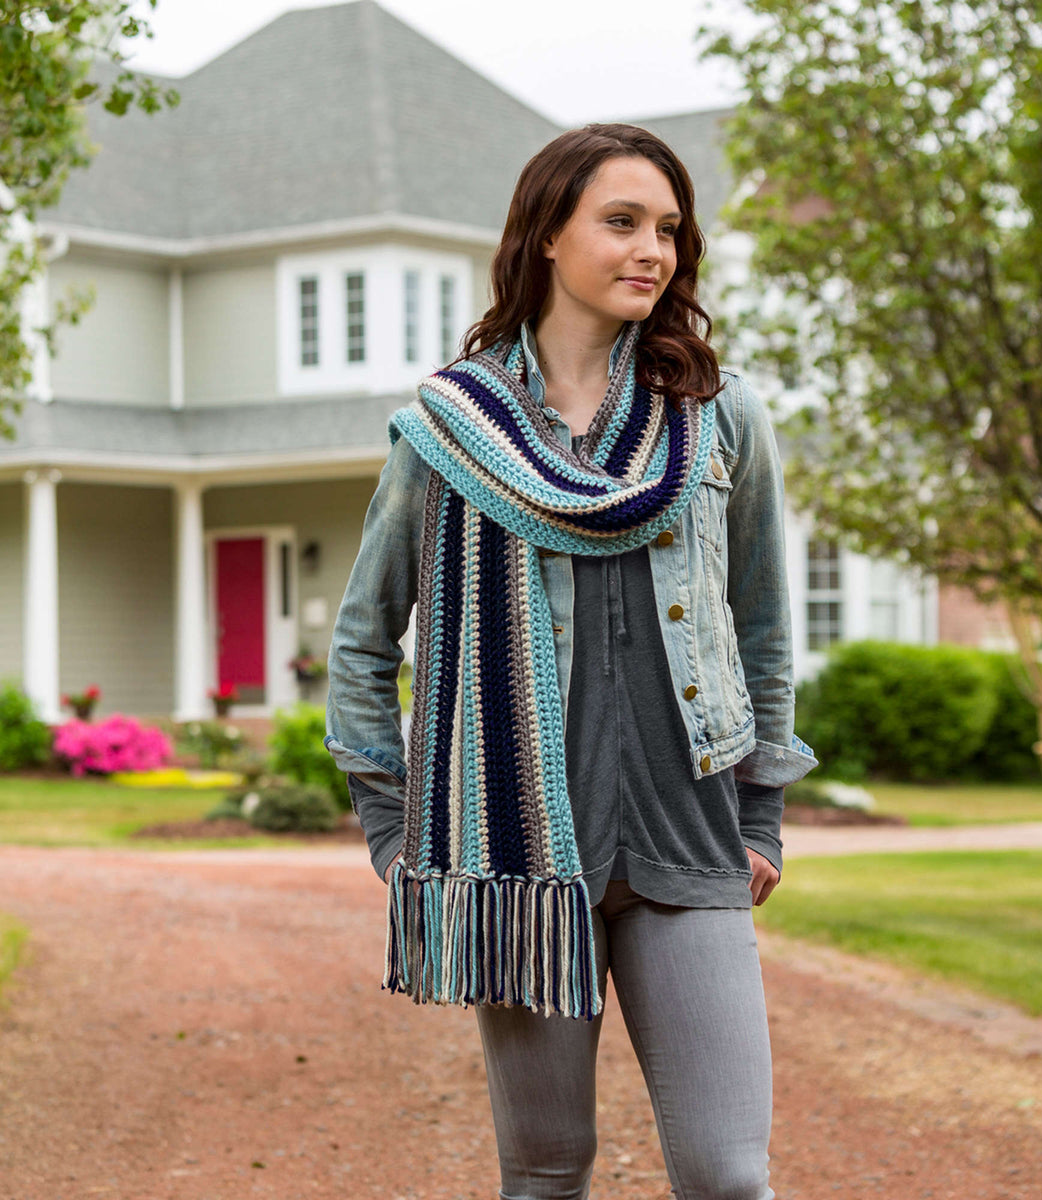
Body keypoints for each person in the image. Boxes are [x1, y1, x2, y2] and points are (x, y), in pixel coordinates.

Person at [325, 123, 817, 1200]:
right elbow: (364, 641)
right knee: (546, 1172)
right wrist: (395, 834)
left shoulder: (718, 417)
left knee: (729, 1174)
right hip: (516, 861)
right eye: (623, 222)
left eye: (670, 229)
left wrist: (763, 815)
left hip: (689, 842)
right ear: (548, 233)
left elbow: (764, 627)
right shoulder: (449, 434)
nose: (654, 250)